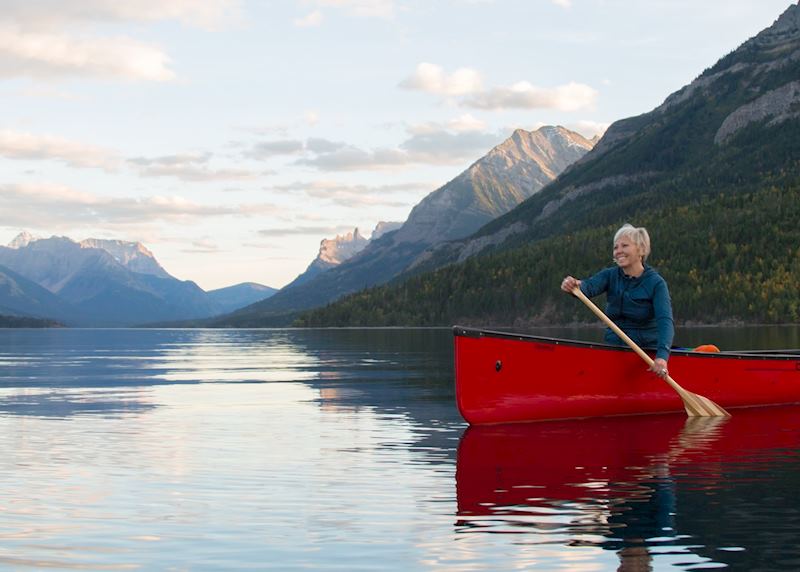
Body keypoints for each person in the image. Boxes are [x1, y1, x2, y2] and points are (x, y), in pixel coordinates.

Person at [561, 223, 674, 379]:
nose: (618, 251)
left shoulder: (656, 283)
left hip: (645, 352)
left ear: (640, 249)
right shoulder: (610, 275)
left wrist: (662, 357)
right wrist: (575, 285)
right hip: (613, 349)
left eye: (625, 245)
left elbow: (665, 322)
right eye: (615, 247)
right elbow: (589, 287)